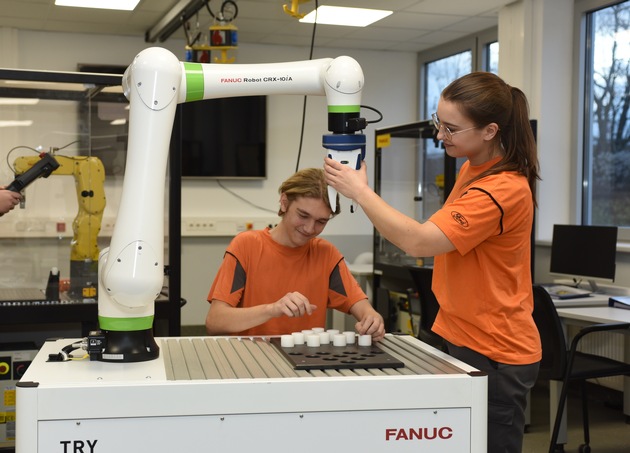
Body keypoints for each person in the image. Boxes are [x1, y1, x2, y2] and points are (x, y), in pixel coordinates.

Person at [324, 71, 541, 453]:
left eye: (452, 129)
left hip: (496, 350)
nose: (441, 135)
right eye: (438, 122)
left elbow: (421, 241)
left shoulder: (501, 189)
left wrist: (360, 191)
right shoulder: (471, 168)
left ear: (490, 130)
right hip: (458, 333)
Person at [205, 167, 385, 341]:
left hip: (306, 365)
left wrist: (372, 319)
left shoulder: (326, 254)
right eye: (303, 215)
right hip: (253, 363)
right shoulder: (246, 246)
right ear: (284, 202)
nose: (309, 228)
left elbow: (362, 308)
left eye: (321, 221)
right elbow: (215, 322)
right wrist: (272, 309)